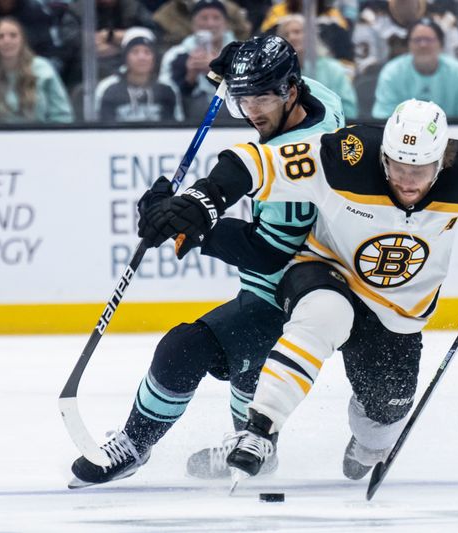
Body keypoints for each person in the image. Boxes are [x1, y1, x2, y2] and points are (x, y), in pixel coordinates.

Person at [135, 98, 458, 481]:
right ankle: (258, 431)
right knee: (322, 318)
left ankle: (368, 443)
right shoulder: (346, 158)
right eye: (397, 167)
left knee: (384, 417)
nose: (407, 182)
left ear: (441, 162)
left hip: (399, 309)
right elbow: (255, 162)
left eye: (419, 171)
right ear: (383, 154)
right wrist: (204, 198)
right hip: (323, 269)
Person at [68, 34, 345, 488]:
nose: (252, 112)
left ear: (289, 92)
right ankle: (248, 443)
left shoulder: (293, 163)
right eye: (243, 99)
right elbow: (295, 82)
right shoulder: (321, 101)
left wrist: (192, 229)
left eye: (261, 99)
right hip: (283, 286)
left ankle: (138, 445)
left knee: (185, 350)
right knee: (243, 371)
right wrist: (239, 66)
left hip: (292, 294)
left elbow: (271, 250)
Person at [372, 18, 458, 119]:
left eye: (429, 40)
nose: (423, 45)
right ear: (408, 45)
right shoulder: (392, 73)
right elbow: (384, 117)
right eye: (417, 40)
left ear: (441, 44)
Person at [0, 16, 72, 123]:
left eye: (13, 35)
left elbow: (62, 115)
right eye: (0, 37)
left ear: (22, 40)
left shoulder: (43, 70)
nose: (7, 41)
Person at [159, 0, 233, 119]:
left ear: (226, 24)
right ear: (193, 24)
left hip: (236, 126)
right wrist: (189, 78)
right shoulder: (176, 55)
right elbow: (166, 98)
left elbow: (250, 92)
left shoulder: (242, 53)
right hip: (190, 125)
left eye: (216, 18)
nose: (210, 24)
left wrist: (217, 72)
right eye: (204, 18)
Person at [276, 13, 357, 119]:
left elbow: (349, 110)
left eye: (297, 32)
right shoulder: (277, 73)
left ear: (311, 36)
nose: (291, 37)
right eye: (286, 34)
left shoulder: (334, 69)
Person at [95, 27, 182, 122]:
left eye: (147, 52)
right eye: (135, 52)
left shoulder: (167, 89)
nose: (142, 57)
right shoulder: (107, 88)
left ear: (154, 58)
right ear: (125, 58)